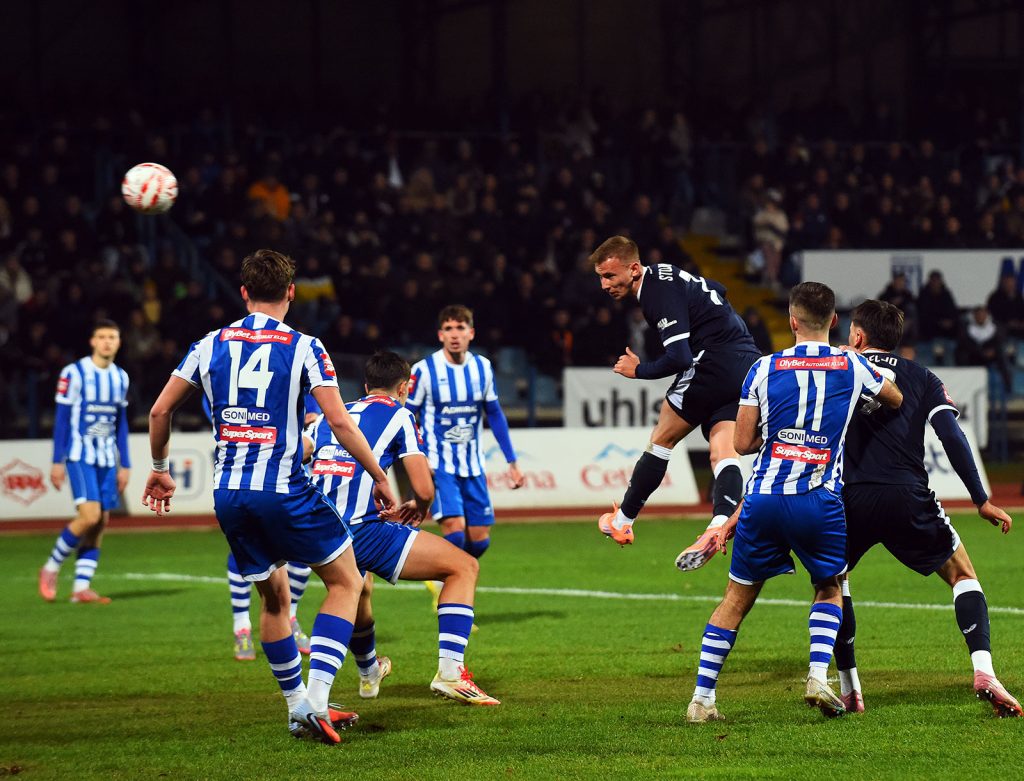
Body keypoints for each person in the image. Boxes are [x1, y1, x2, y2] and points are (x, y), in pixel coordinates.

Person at [142, 249, 396, 744]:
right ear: (291, 293)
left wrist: (159, 471)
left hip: (229, 494)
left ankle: (296, 708)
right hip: (284, 489)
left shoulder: (208, 344)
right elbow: (340, 422)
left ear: (243, 293)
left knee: (274, 599)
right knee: (347, 582)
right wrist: (379, 476)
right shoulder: (305, 346)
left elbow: (158, 412)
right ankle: (317, 700)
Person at [685, 282, 902, 724]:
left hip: (764, 498)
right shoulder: (851, 364)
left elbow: (742, 443)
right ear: (835, 321)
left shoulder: (762, 368)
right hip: (818, 501)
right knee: (829, 587)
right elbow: (895, 398)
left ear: (791, 321)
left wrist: (781, 437)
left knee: (736, 599)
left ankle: (702, 700)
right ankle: (817, 676)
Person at [836, 299, 1020, 717]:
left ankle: (850, 689)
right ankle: (984, 671)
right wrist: (981, 499)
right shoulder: (922, 377)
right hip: (908, 495)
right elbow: (951, 436)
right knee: (962, 575)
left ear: (858, 336)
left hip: (849, 498)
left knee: (833, 584)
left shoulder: (840, 369)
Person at [305, 351, 499, 705]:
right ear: (404, 388)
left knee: (356, 590)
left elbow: (298, 454)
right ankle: (451, 673)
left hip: (318, 528)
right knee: (463, 567)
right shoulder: (400, 414)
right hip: (361, 529)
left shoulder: (330, 415)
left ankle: (367, 672)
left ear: (365, 387)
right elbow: (423, 488)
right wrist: (419, 507)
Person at [589, 235, 762, 572]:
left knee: (662, 439)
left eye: (609, 276)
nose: (604, 285)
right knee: (723, 453)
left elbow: (680, 357)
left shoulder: (654, 293)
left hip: (712, 362)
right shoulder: (666, 273)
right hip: (746, 363)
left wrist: (639, 370)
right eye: (600, 277)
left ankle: (622, 521)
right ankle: (719, 524)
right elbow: (719, 288)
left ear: (634, 269)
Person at [406, 305, 524, 569]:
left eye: (460, 328)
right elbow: (406, 416)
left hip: (473, 465)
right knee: (455, 531)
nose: (454, 334)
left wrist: (512, 461)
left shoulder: (482, 367)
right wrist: (419, 457)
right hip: (439, 465)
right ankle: (447, 580)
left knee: (479, 541)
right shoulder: (424, 370)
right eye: (448, 328)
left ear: (471, 333)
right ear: (440, 335)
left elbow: (494, 413)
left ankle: (440, 574)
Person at [38, 320, 131, 604]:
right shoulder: (74, 373)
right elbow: (62, 419)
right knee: (89, 516)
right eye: (101, 337)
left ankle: (81, 587)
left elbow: (121, 423)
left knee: (100, 521)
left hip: (107, 457)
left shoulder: (121, 377)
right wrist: (57, 461)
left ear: (119, 342)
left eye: (112, 337)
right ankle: (51, 567)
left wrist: (125, 463)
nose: (107, 342)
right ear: (92, 341)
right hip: (80, 455)